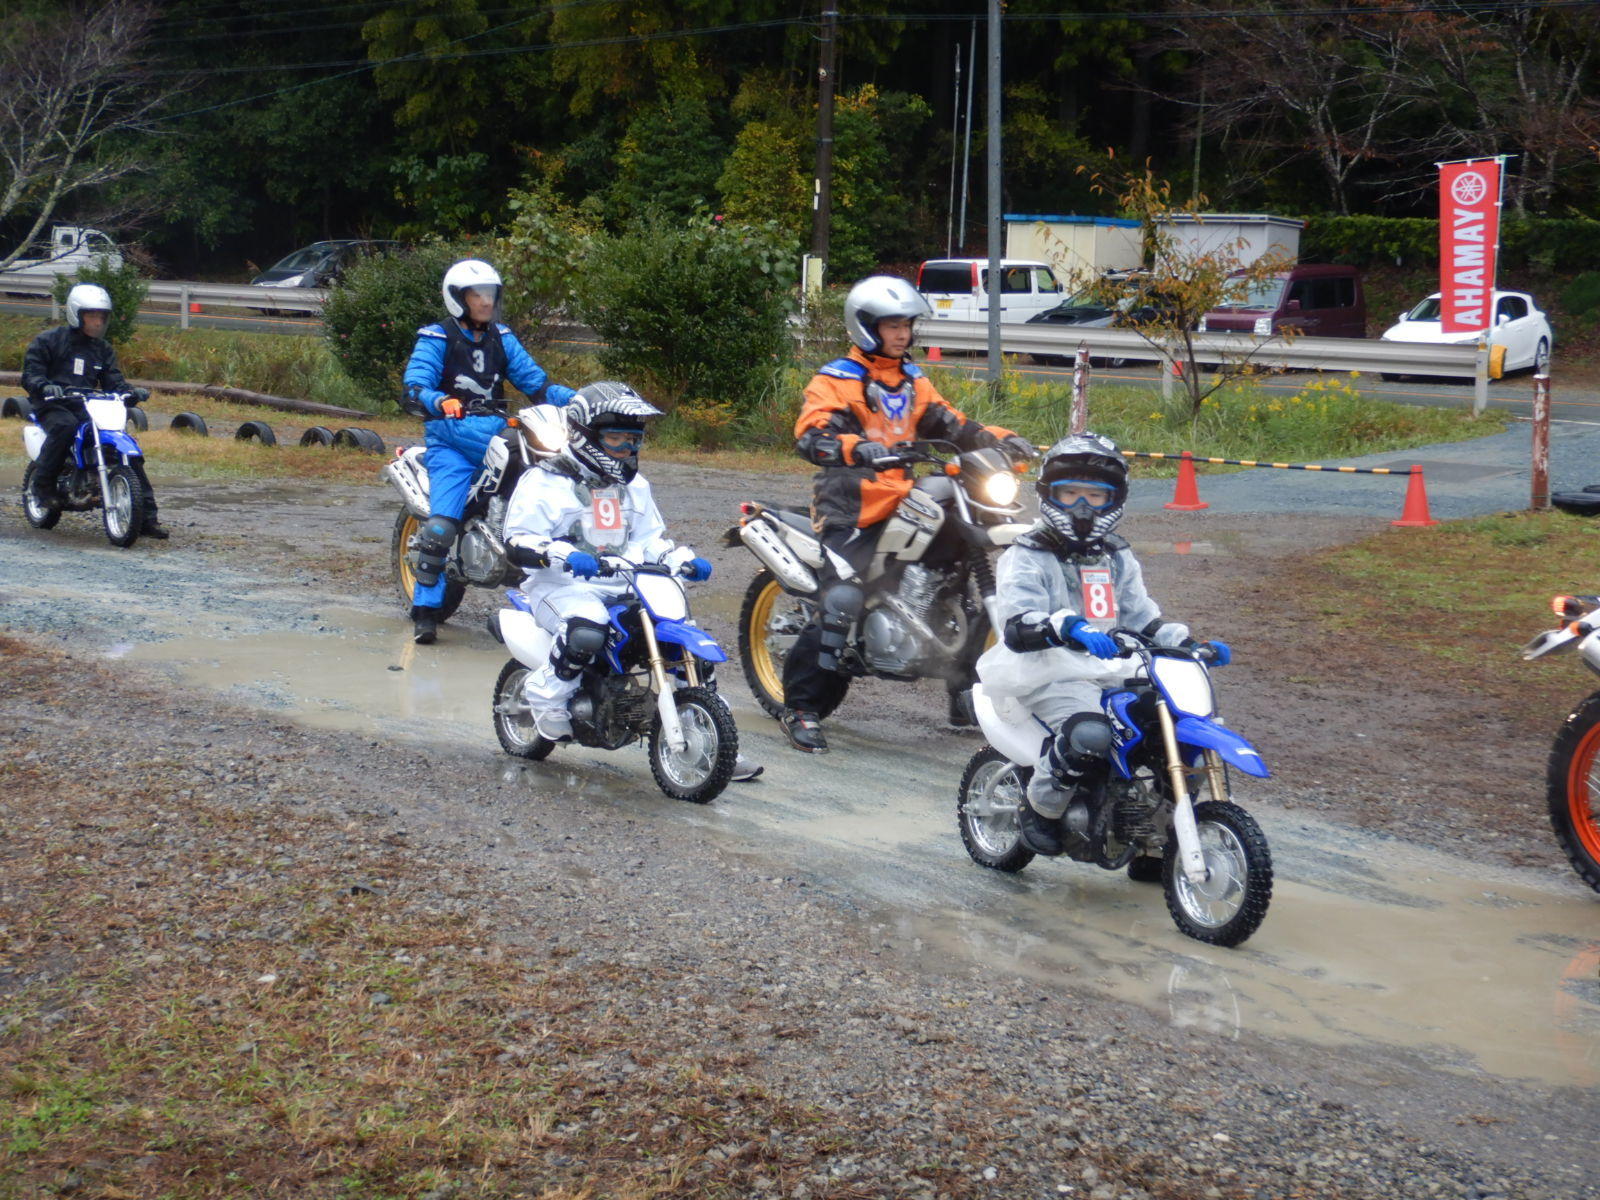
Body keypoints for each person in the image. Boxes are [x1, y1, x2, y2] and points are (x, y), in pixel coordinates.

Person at [777, 274, 1034, 754]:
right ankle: (802, 707)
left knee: (960, 577)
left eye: (907, 325)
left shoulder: (914, 381)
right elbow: (812, 434)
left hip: (903, 497)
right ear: (867, 327)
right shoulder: (836, 379)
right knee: (843, 600)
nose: (902, 334)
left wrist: (1000, 438)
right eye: (892, 325)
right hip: (851, 504)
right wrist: (856, 447)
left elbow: (954, 425)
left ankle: (966, 692)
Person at [976, 432, 1230, 857]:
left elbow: (1141, 616)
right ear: (1048, 493)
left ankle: (1159, 834)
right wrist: (1067, 628)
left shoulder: (1116, 555)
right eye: (1070, 493)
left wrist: (1186, 641)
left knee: (1178, 730)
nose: (1081, 506)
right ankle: (1041, 808)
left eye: (1094, 496)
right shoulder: (1028, 553)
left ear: (1114, 500)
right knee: (1090, 732)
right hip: (1048, 668)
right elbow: (1017, 622)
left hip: (1113, 667)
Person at [503, 382, 762, 781]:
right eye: (615, 438)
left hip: (625, 582)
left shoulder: (633, 486)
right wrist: (564, 554)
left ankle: (716, 743)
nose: (626, 448)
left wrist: (683, 559)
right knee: (586, 629)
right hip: (560, 586)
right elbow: (518, 539)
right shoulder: (544, 481)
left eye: (633, 439)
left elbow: (648, 540)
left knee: (681, 640)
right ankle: (548, 701)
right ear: (586, 435)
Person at [401, 258, 576, 644]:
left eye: (490, 294)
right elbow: (413, 386)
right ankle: (426, 609)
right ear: (457, 298)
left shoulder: (502, 336)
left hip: (496, 430)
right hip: (451, 438)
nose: (485, 301)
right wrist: (437, 400)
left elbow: (537, 384)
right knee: (443, 524)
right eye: (477, 294)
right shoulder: (436, 337)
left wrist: (581, 400)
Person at [22, 283, 165, 538]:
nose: (98, 322)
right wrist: (46, 386)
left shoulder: (102, 349)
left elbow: (114, 381)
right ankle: (43, 487)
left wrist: (131, 392)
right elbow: (31, 374)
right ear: (77, 314)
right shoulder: (49, 341)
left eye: (102, 317)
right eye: (92, 316)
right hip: (52, 404)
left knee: (126, 446)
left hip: (86, 405)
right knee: (65, 427)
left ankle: (146, 518)